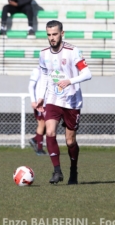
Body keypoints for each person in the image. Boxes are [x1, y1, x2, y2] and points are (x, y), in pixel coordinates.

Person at [35, 20, 92, 185]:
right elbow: (45, 75)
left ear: (62, 33)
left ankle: (73, 170)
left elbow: (88, 74)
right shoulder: (43, 53)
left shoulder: (73, 51)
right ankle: (57, 171)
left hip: (72, 100)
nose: (51, 38)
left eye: (54, 34)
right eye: (48, 35)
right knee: (50, 132)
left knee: (70, 141)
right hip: (53, 98)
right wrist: (40, 96)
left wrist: (70, 81)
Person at [28, 68, 47, 156]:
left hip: (50, 102)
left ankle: (35, 139)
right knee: (42, 124)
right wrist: (33, 101)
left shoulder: (52, 69)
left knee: (49, 126)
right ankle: (39, 149)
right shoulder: (37, 70)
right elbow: (31, 86)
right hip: (40, 103)